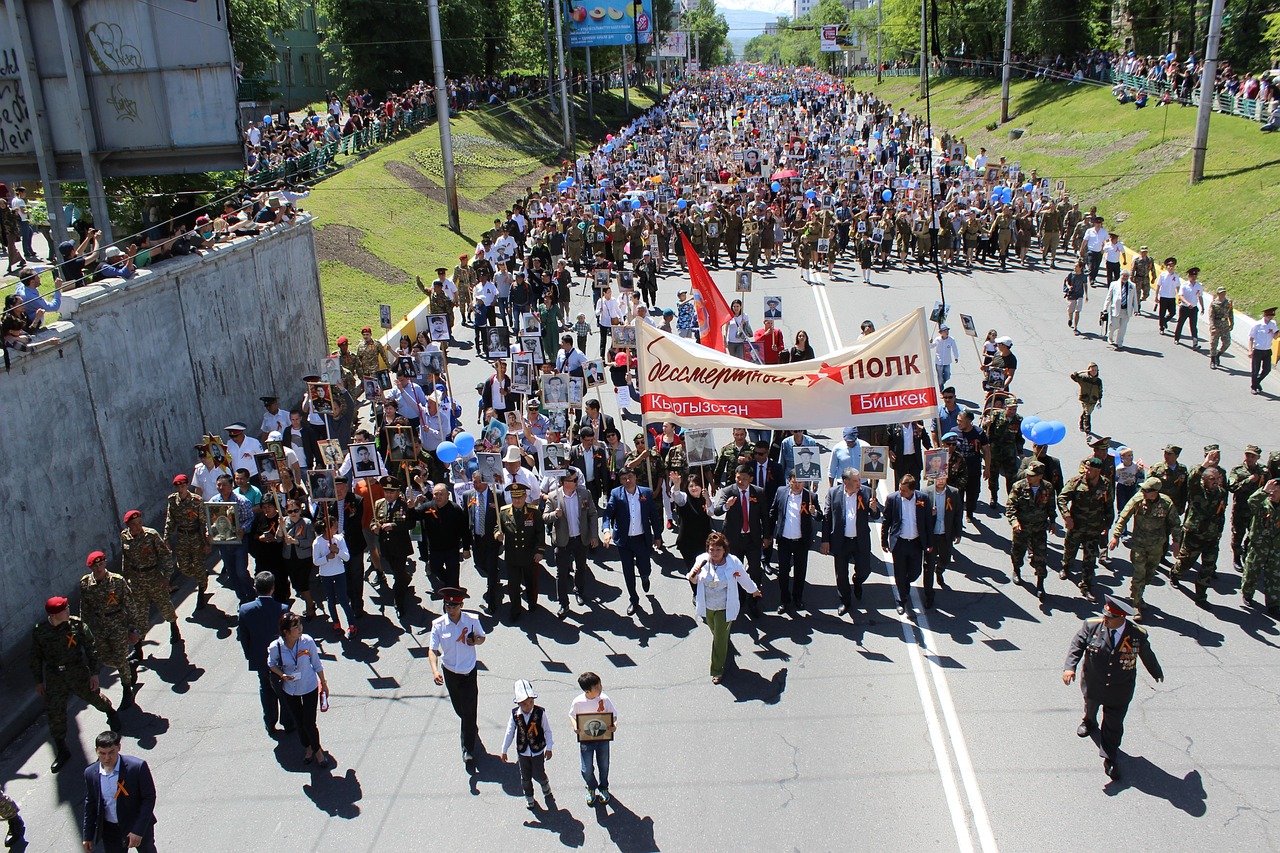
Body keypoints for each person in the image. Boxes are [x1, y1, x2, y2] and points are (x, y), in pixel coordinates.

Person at [1062, 594, 1163, 780]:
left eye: (1109, 618)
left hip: (1120, 688)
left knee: (1113, 724)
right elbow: (1077, 644)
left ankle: (1110, 757)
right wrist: (1070, 668)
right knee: (1091, 706)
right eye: (1104, 615)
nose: (1105, 619)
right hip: (1094, 682)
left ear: (1121, 618)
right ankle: (1089, 722)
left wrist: (1156, 672)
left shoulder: (1136, 634)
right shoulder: (1092, 626)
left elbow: (1147, 654)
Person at [32, 596, 121, 772]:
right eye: (64, 610)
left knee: (94, 697)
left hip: (77, 671)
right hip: (55, 676)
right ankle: (62, 750)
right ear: (54, 614)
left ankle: (111, 713)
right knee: (55, 713)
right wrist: (38, 681)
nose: (68, 611)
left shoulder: (76, 625)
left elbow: (91, 649)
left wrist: (95, 673)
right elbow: (35, 657)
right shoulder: (40, 631)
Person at [687, 532, 762, 684]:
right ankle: (723, 644)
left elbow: (744, 578)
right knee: (716, 633)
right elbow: (693, 580)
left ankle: (717, 669)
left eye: (718, 550)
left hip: (725, 607)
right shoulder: (701, 561)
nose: (715, 553)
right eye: (712, 550)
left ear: (724, 550)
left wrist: (754, 590)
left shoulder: (733, 562)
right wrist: (693, 576)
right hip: (708, 606)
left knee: (719, 639)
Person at [427, 586, 486, 767]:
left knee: (469, 709)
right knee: (459, 708)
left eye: (454, 606)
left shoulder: (472, 620)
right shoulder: (438, 625)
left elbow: (482, 637)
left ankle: (468, 749)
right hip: (450, 672)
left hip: (468, 671)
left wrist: (475, 640)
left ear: (461, 605)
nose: (450, 609)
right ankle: (469, 724)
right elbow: (432, 650)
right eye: (447, 606)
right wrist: (435, 671)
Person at [1109, 477, 1182, 620]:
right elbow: (1124, 516)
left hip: (1156, 545)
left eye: (1147, 490)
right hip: (1139, 545)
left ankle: (1137, 593)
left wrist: (1176, 542)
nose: (1143, 491)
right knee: (1139, 574)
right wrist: (1116, 536)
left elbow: (1175, 524)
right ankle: (1136, 605)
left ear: (1155, 492)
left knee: (1149, 575)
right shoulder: (1138, 499)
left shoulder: (1166, 503)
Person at [79, 552, 141, 711]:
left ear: (105, 563)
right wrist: (82, 630)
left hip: (117, 624)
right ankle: (129, 666)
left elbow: (130, 605)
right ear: (90, 567)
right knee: (105, 659)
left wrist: (133, 628)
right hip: (99, 627)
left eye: (101, 564)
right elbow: (84, 608)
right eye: (95, 565)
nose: (99, 568)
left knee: (119, 658)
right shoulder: (86, 584)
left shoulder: (117, 581)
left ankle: (127, 689)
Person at [267, 611, 331, 767]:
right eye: (295, 627)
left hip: (309, 686)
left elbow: (317, 664)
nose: (300, 629)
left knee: (310, 722)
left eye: (300, 625)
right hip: (290, 689)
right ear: (286, 632)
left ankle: (318, 752)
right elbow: (271, 664)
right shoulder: (277, 647)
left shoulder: (307, 642)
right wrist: (282, 675)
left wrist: (324, 683)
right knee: (299, 721)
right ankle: (307, 748)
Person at [81, 730, 158, 853]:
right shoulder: (91, 773)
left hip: (137, 825)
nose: (107, 758)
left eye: (111, 752)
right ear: (96, 751)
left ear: (119, 747)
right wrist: (87, 835)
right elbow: (90, 804)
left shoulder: (136, 767)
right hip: (111, 831)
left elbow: (149, 798)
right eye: (102, 753)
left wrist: (138, 830)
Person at [237, 572, 293, 736]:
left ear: (255, 588)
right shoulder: (282, 609)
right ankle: (288, 722)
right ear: (273, 588)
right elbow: (289, 637)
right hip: (281, 660)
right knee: (285, 690)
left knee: (266, 689)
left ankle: (270, 722)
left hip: (260, 659)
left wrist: (250, 655)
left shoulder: (245, 610)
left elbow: (244, 637)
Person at [119, 509, 181, 659]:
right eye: (134, 524)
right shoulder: (124, 537)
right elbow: (125, 559)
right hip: (137, 581)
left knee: (164, 605)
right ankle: (138, 648)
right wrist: (125, 579)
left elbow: (165, 555)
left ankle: (174, 626)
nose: (138, 526)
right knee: (138, 614)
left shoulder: (151, 535)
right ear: (128, 526)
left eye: (140, 522)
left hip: (154, 577)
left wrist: (166, 576)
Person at [711, 465, 767, 618]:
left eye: (744, 478)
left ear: (751, 479)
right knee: (735, 571)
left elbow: (765, 516)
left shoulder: (759, 492)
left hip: (752, 538)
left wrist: (767, 536)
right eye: (738, 478)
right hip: (734, 539)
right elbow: (716, 511)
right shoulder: (728, 491)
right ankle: (739, 599)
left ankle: (753, 600)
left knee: (755, 569)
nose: (740, 481)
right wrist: (726, 506)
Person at [543, 471, 600, 618]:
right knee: (561, 573)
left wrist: (594, 535)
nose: (576, 482)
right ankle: (563, 603)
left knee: (581, 568)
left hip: (580, 539)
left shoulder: (584, 493)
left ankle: (579, 591)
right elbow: (544, 517)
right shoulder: (553, 496)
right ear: (565, 482)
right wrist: (555, 515)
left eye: (576, 480)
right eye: (573, 480)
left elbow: (592, 514)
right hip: (563, 541)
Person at [766, 472, 823, 612]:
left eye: (801, 482)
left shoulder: (811, 497)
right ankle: (784, 600)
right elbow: (772, 513)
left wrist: (814, 512)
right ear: (789, 481)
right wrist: (767, 534)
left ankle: (798, 597)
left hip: (801, 542)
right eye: (794, 481)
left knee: (800, 572)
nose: (797, 485)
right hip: (784, 541)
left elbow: (820, 517)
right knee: (783, 572)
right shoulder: (781, 492)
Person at [604, 469, 655, 616]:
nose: (628, 481)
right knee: (628, 571)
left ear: (636, 477)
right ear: (620, 481)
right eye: (624, 478)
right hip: (624, 541)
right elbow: (608, 513)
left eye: (630, 477)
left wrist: (657, 536)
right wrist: (606, 530)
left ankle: (645, 576)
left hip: (641, 538)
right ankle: (634, 599)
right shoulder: (616, 494)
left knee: (644, 566)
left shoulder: (646, 493)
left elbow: (653, 515)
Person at [881, 474, 932, 614]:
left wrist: (929, 542)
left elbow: (928, 522)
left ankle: (905, 584)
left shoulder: (923, 499)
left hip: (916, 543)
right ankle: (901, 599)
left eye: (904, 490)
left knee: (916, 571)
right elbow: (886, 521)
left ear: (912, 490)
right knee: (900, 572)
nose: (900, 492)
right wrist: (884, 541)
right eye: (900, 489)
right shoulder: (893, 499)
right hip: (900, 543)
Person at [501, 679, 555, 810]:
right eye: (524, 703)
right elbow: (510, 732)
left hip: (537, 750)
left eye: (531, 702)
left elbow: (547, 730)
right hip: (523, 751)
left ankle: (545, 785)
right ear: (518, 703)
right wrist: (504, 749)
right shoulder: (515, 715)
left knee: (539, 773)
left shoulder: (540, 713)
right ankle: (529, 797)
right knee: (525, 777)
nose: (528, 705)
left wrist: (549, 747)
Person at [568, 671, 618, 806]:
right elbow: (572, 716)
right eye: (596, 687)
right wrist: (575, 727)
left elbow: (613, 716)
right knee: (586, 768)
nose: (600, 688)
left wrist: (614, 725)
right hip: (586, 740)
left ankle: (603, 787)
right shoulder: (578, 702)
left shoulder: (605, 699)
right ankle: (591, 786)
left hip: (603, 739)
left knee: (604, 764)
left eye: (600, 685)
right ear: (587, 691)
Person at [1240, 479, 1280, 616]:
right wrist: (1264, 491)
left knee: (1274, 576)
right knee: (1252, 571)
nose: (1272, 493)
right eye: (1271, 490)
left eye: (1275, 490)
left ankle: (1273, 604)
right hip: (1259, 545)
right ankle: (1247, 594)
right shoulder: (1262, 502)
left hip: (1276, 548)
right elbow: (1251, 502)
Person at [312, 512, 355, 637]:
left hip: (339, 573)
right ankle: (336, 622)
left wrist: (337, 551)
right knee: (330, 600)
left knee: (343, 600)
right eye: (334, 526)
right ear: (327, 528)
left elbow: (346, 557)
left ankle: (351, 624)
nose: (336, 529)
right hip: (326, 574)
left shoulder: (339, 539)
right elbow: (316, 561)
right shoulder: (317, 542)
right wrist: (326, 557)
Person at [925, 474, 963, 605]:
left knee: (945, 560)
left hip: (945, 535)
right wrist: (930, 514)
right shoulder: (926, 493)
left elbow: (958, 514)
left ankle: (939, 570)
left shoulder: (954, 493)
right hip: (931, 535)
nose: (940, 481)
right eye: (938, 478)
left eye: (943, 478)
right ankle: (929, 594)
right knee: (928, 565)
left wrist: (958, 533)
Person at [1105, 270, 1139, 349]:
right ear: (1120, 276)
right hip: (1116, 309)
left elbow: (1134, 298)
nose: (1125, 278)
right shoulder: (1114, 284)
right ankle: (1110, 336)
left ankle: (1119, 342)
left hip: (1126, 310)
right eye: (1123, 276)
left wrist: (1136, 310)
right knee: (1114, 325)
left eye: (1127, 276)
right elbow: (1109, 297)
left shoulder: (1132, 286)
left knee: (1123, 328)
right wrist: (1105, 308)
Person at [1249, 306, 1277, 395]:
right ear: (1265, 315)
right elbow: (1251, 338)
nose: (1270, 318)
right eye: (1269, 316)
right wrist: (1250, 350)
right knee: (1255, 370)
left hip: (1267, 350)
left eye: (1272, 316)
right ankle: (1254, 386)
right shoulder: (1257, 325)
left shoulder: (1273, 324)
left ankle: (1257, 382)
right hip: (1258, 350)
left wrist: (1276, 332)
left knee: (1267, 369)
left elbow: (1275, 336)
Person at [1070, 363, 1104, 435]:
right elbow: (1073, 376)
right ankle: (1088, 432)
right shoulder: (1083, 378)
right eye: (1092, 370)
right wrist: (1081, 372)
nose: (1094, 371)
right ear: (1088, 370)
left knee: (1086, 412)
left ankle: (1081, 422)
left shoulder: (1098, 381)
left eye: (1096, 370)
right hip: (1085, 399)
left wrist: (1099, 400)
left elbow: (1100, 391)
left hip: (1093, 400)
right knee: (1087, 414)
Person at [1207, 286, 1234, 369]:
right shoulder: (1214, 303)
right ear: (1218, 293)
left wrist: (1232, 323)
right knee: (1213, 343)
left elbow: (1230, 313)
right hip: (1216, 324)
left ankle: (1218, 355)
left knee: (1227, 343)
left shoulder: (1228, 302)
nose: (1223, 294)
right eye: (1221, 293)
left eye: (1224, 292)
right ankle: (1212, 360)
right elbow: (1211, 316)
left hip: (1225, 325)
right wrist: (1212, 327)